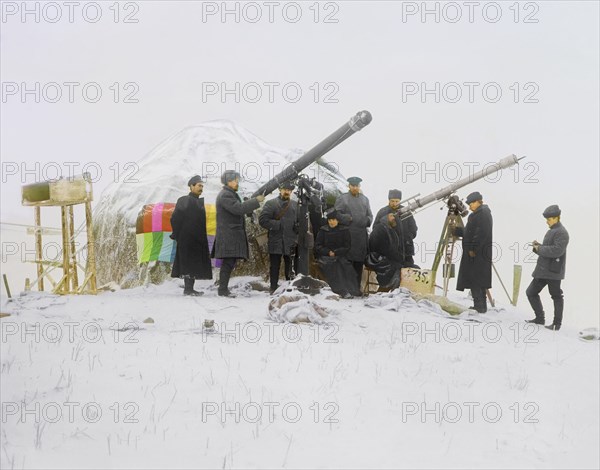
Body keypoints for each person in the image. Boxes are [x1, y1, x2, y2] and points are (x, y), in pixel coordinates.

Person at [213, 170, 265, 297]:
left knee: (229, 262)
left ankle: (223, 289)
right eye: (235, 180)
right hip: (228, 235)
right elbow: (238, 209)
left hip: (230, 235)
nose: (237, 183)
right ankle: (223, 290)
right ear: (228, 181)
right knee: (228, 262)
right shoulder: (225, 195)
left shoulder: (229, 194)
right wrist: (255, 201)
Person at [526, 205, 569, 330]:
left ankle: (556, 324)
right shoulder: (553, 230)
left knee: (556, 296)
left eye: (549, 219)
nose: (547, 221)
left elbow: (557, 251)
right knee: (531, 292)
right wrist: (538, 247)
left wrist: (540, 248)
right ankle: (540, 318)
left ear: (557, 218)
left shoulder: (562, 232)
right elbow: (549, 248)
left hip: (553, 272)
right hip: (543, 270)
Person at [170, 175, 213, 296]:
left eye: (202, 186)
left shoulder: (198, 202)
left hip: (197, 239)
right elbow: (175, 218)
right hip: (187, 239)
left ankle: (190, 288)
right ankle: (188, 289)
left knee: (193, 263)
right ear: (191, 186)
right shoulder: (185, 200)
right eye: (199, 186)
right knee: (188, 263)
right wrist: (178, 234)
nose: (201, 188)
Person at [453, 191, 493, 313]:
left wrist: (472, 249)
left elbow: (480, 234)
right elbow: (470, 232)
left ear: (478, 202)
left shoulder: (483, 214)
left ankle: (479, 306)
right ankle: (480, 305)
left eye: (471, 204)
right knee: (478, 280)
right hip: (478, 253)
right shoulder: (479, 214)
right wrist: (458, 231)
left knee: (476, 280)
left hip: (477, 254)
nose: (469, 206)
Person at [258, 181, 299, 294]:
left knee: (290, 266)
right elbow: (262, 220)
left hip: (290, 240)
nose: (287, 192)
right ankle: (273, 288)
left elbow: (300, 221)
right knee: (275, 266)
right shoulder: (271, 204)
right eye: (285, 189)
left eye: (289, 190)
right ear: (280, 190)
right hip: (276, 240)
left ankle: (290, 288)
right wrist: (278, 225)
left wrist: (298, 227)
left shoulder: (296, 205)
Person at [334, 176, 373, 288]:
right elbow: (336, 214)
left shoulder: (365, 199)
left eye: (357, 186)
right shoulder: (343, 198)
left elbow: (370, 215)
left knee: (358, 263)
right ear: (349, 186)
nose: (355, 188)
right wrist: (348, 218)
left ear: (359, 186)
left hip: (361, 236)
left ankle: (356, 288)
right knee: (347, 263)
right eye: (353, 186)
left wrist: (367, 221)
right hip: (348, 234)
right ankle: (346, 288)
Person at [314, 210, 361, 299]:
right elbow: (318, 246)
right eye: (330, 220)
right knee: (335, 267)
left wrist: (336, 252)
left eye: (333, 220)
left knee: (347, 266)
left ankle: (352, 290)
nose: (331, 222)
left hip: (339, 255)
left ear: (338, 220)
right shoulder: (323, 230)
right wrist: (328, 252)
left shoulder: (344, 230)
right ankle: (341, 291)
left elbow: (347, 246)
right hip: (325, 257)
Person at [373, 189, 419, 268]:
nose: (394, 203)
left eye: (397, 201)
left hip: (406, 251)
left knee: (408, 273)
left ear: (400, 200)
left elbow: (413, 229)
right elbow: (375, 229)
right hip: (388, 252)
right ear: (389, 200)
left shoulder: (406, 211)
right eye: (392, 201)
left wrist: (407, 238)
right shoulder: (383, 212)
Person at [368, 213, 404, 290]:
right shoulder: (380, 228)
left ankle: (391, 288)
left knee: (403, 266)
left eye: (395, 216)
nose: (394, 218)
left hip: (386, 257)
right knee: (394, 266)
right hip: (375, 258)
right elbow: (379, 247)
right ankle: (385, 288)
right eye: (391, 216)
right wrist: (395, 256)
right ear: (385, 217)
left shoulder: (391, 230)